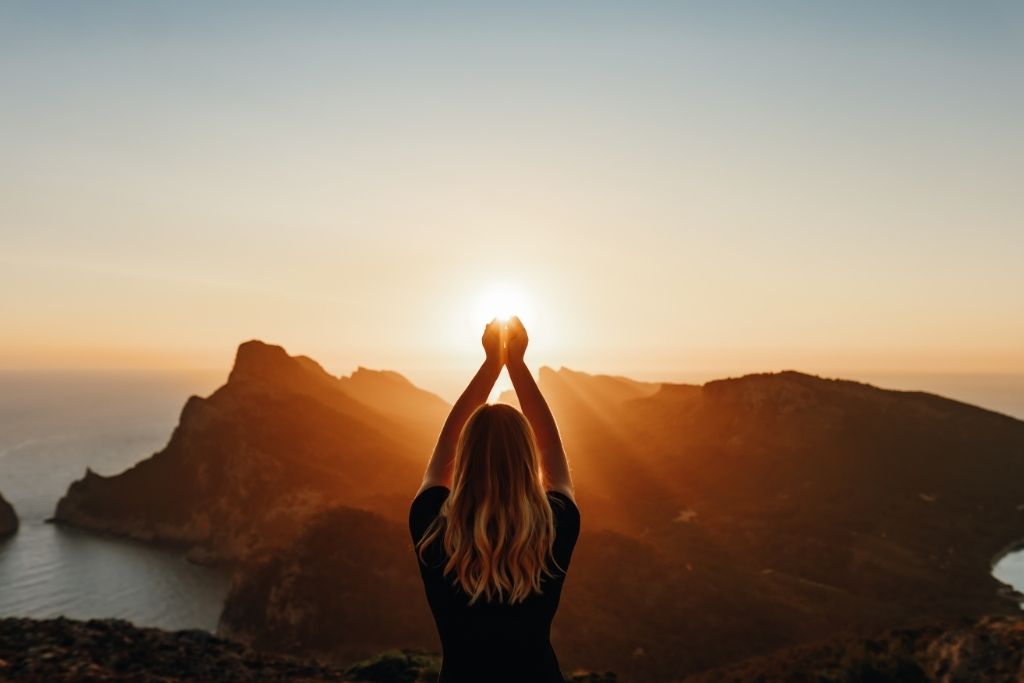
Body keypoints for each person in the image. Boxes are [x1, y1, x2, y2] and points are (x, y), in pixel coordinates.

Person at [409, 316, 580, 683]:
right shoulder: (554, 527)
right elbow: (552, 450)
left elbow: (443, 453)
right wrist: (516, 365)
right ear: (526, 458)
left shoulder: (432, 527)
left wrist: (490, 365)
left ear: (464, 457)